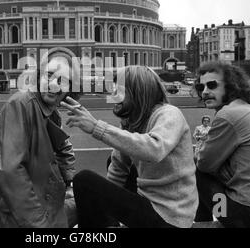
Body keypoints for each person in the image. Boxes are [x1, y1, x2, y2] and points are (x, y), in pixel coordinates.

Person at [61, 65, 198, 228]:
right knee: (111, 164)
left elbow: (154, 150)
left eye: (118, 90)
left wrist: (96, 127)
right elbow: (118, 170)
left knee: (84, 180)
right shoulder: (131, 122)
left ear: (137, 92)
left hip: (170, 217)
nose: (112, 96)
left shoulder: (169, 113)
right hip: (149, 204)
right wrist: (99, 202)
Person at [0, 49, 80, 228]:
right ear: (39, 76)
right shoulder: (19, 105)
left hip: (42, 207)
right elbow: (11, 171)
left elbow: (63, 149)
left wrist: (69, 181)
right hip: (16, 218)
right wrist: (39, 225)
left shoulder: (52, 113)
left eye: (63, 81)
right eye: (49, 75)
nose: (54, 85)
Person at [194, 61, 250, 227]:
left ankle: (207, 221)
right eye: (201, 87)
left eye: (212, 85)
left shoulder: (228, 115)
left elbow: (204, 164)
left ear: (231, 86)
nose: (205, 92)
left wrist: (200, 152)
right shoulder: (248, 107)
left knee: (194, 167)